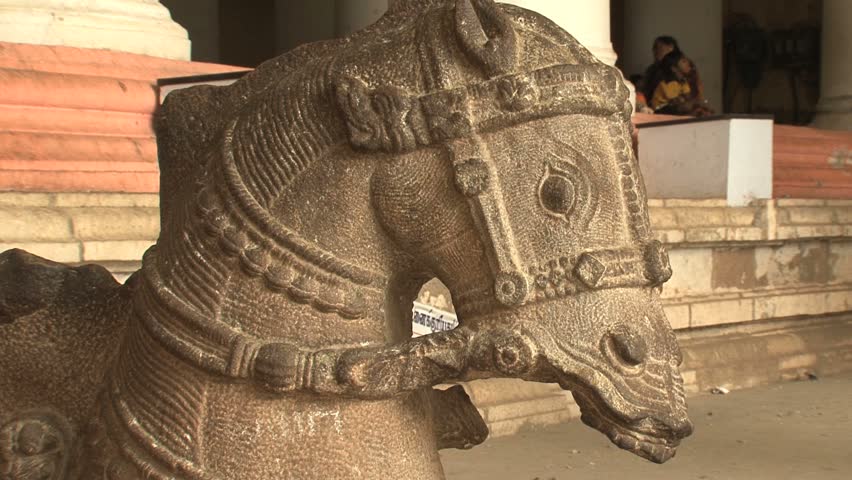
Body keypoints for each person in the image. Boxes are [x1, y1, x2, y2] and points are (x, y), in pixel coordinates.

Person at [641, 36, 711, 115]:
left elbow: (693, 94)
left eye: (668, 51)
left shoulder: (688, 72)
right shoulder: (656, 74)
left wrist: (696, 103)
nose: (661, 54)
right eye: (658, 50)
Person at [651, 50, 712, 116]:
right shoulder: (668, 83)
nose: (688, 63)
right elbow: (677, 103)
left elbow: (688, 98)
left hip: (674, 107)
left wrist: (700, 104)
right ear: (674, 68)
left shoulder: (683, 81)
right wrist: (696, 104)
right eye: (684, 61)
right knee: (688, 107)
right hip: (661, 109)